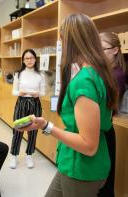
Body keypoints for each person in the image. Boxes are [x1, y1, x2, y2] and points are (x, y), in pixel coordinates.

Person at [19, 14, 118, 197]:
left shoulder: (84, 81)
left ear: (70, 41)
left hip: (82, 168)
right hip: (77, 163)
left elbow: (88, 145)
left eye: (62, 40)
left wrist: (46, 126)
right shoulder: (97, 72)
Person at [98, 32, 127, 197]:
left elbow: (108, 104)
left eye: (103, 49)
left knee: (105, 180)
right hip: (101, 126)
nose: (99, 53)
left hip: (106, 128)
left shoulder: (117, 75)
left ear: (115, 50)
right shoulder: (106, 71)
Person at [9, 48, 45, 169]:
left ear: (35, 59)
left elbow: (43, 91)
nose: (29, 60)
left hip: (35, 103)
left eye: (31, 58)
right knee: (18, 129)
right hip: (22, 102)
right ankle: (14, 155)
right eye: (26, 58)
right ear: (23, 60)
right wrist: (20, 92)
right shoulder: (18, 74)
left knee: (33, 131)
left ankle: (29, 155)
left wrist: (38, 94)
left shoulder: (41, 74)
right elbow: (13, 91)